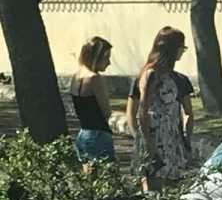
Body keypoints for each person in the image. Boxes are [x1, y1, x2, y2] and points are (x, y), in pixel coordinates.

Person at [127, 27, 194, 191]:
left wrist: (185, 139)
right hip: (155, 136)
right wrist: (147, 142)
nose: (182, 52)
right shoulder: (151, 74)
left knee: (173, 187)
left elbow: (186, 112)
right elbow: (142, 111)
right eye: (181, 47)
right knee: (153, 189)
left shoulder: (174, 77)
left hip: (172, 138)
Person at [69, 36, 116, 163]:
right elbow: (106, 111)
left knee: (89, 177)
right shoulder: (94, 79)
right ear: (96, 57)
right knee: (109, 177)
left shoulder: (76, 77)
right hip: (98, 134)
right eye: (106, 58)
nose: (109, 62)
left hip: (83, 133)